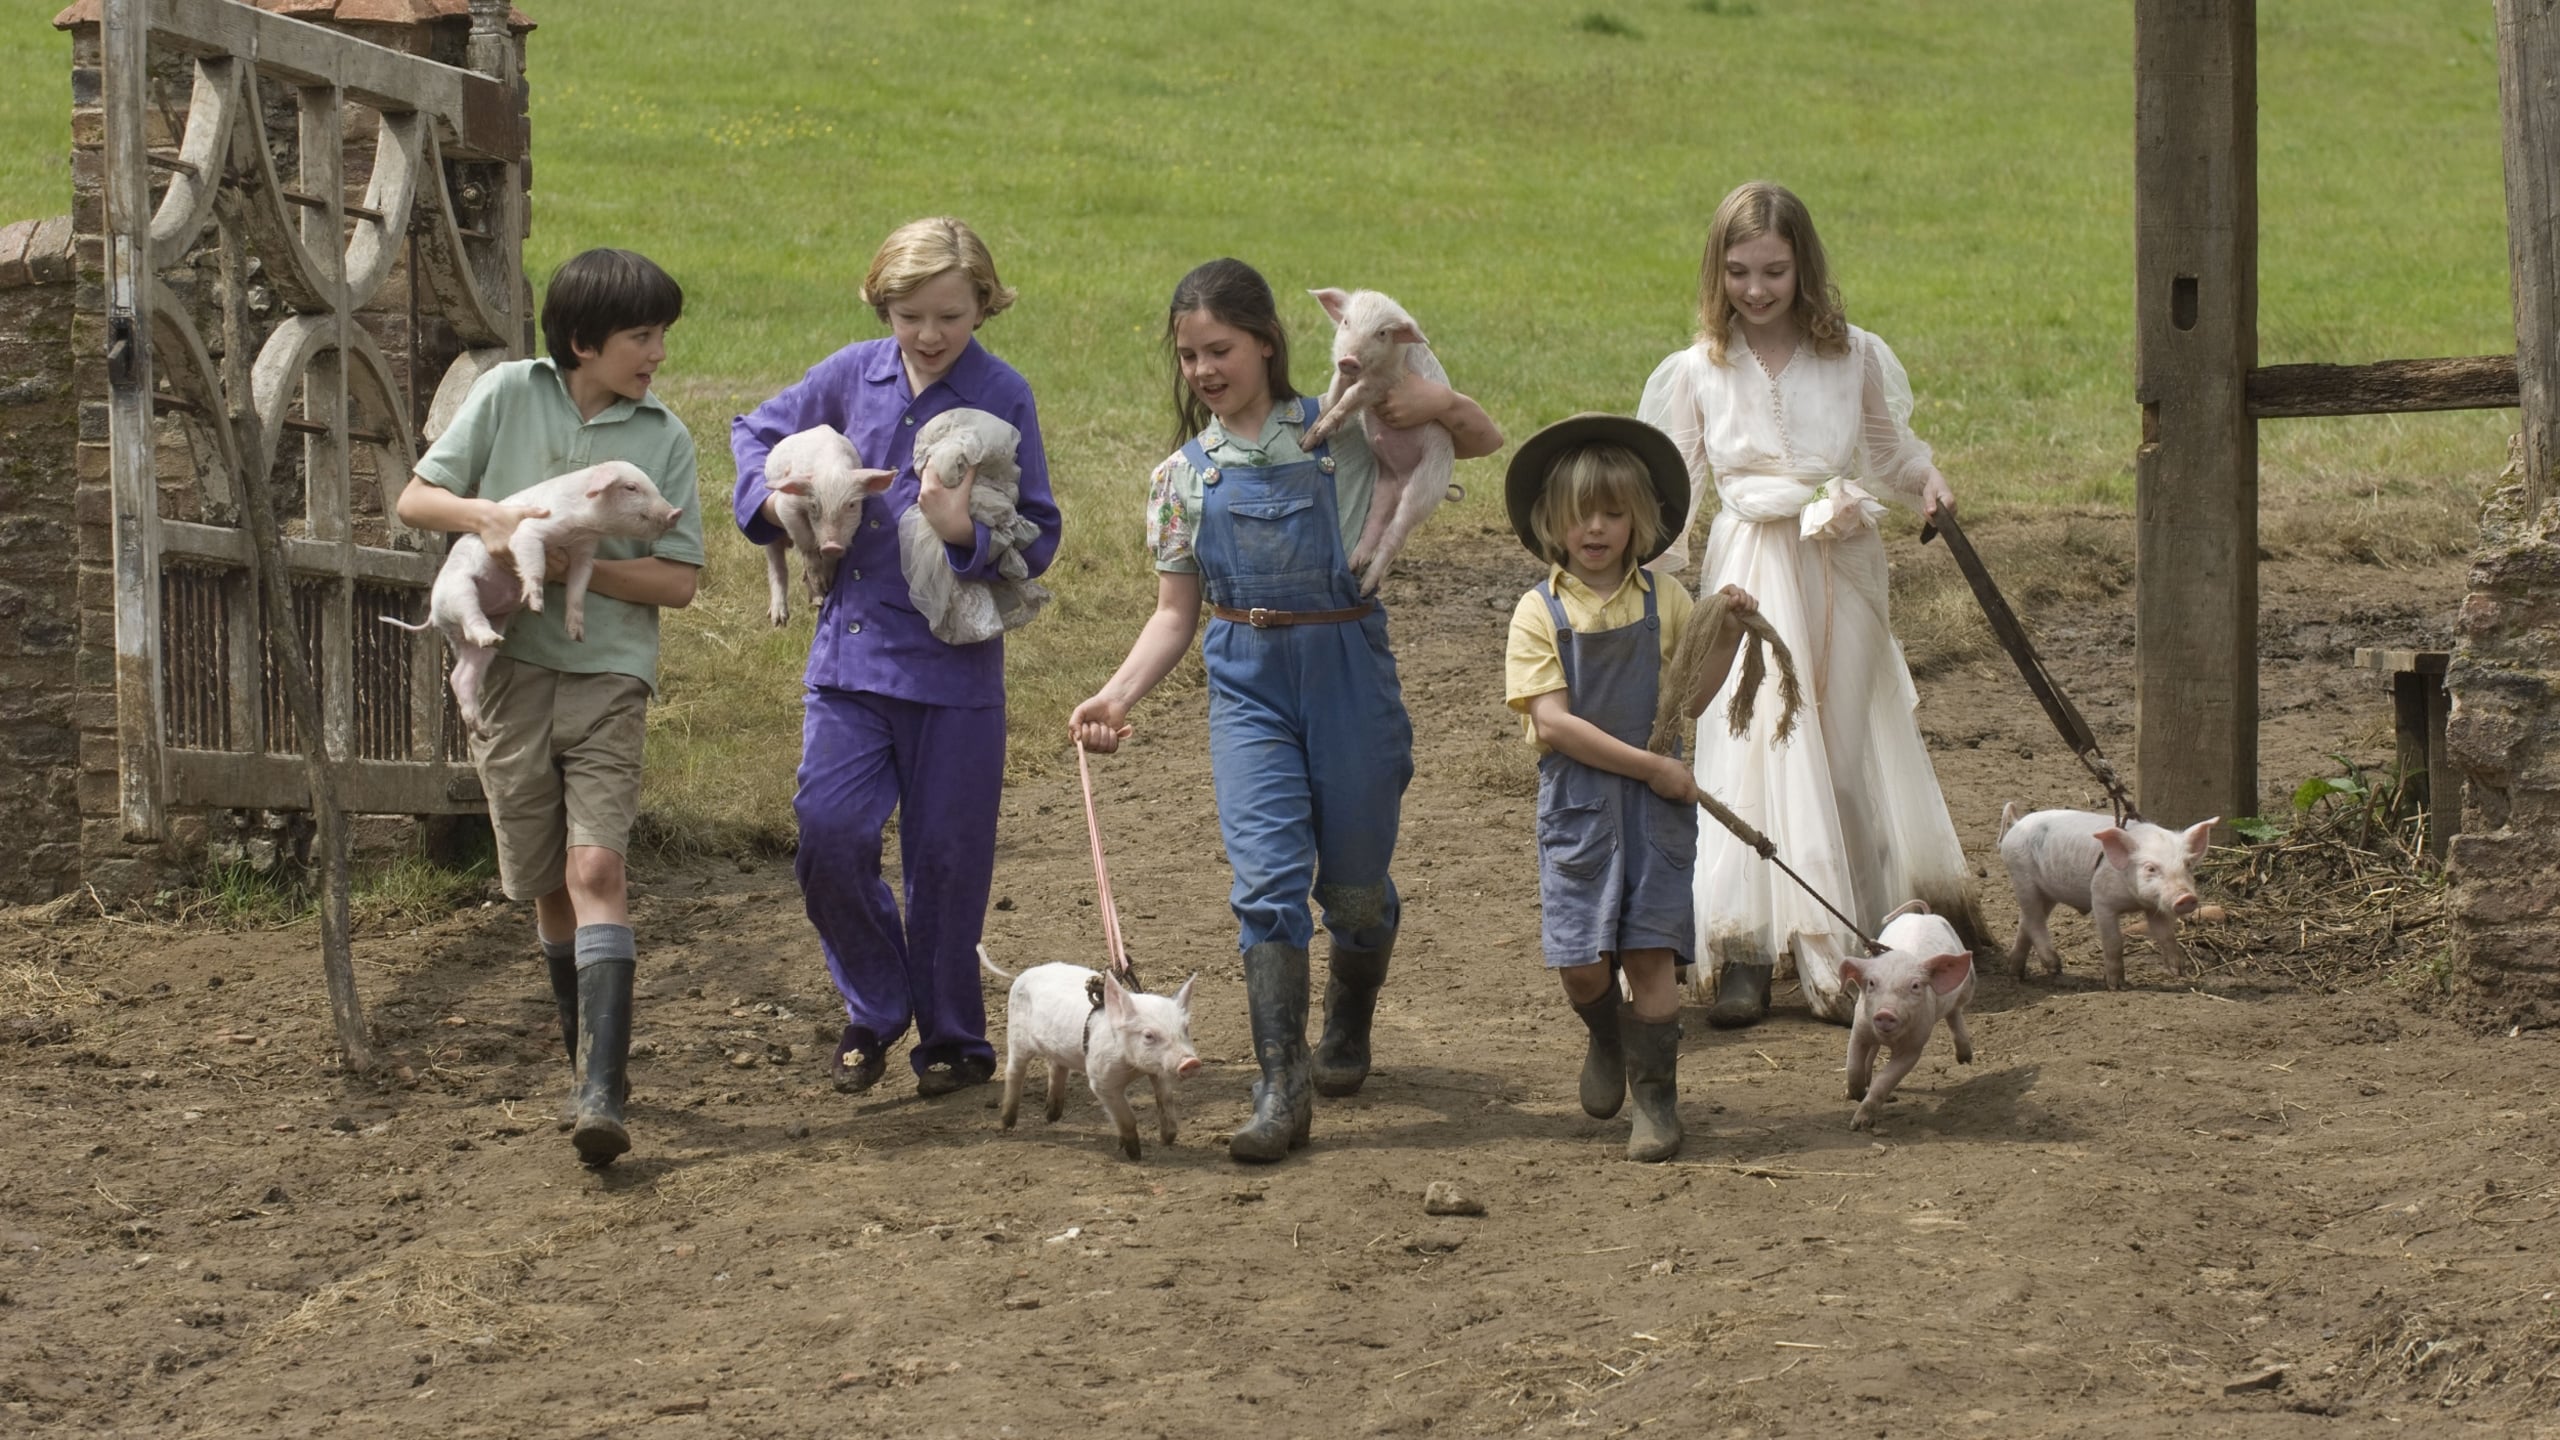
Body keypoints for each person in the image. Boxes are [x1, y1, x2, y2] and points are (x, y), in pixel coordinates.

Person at [1068, 259, 1502, 1163]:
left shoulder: (1342, 428)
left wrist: (1434, 403)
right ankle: (1281, 1085)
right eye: (1188, 356)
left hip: (1348, 667)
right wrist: (1114, 694)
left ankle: (1349, 1019)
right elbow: (1173, 614)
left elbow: (1480, 439)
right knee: (1265, 887)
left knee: (1353, 887)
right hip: (1246, 682)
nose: (1203, 370)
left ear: (1267, 342)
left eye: (1219, 349)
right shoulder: (1180, 478)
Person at [1638, 180, 1981, 1030]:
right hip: (1753, 563)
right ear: (1717, 272)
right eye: (1740, 272)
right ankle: (1748, 942)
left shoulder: (1852, 353)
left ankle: (1845, 939)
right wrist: (1654, 575)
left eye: (1775, 272)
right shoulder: (1699, 370)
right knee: (1753, 740)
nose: (1756, 291)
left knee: (1835, 742)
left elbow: (1886, 448)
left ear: (1804, 269)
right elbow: (1674, 485)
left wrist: (1925, 482)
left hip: (1841, 558)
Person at [731, 217, 1060, 1099]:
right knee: (830, 837)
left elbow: (1041, 533)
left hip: (956, 673)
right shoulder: (848, 374)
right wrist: (773, 505)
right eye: (909, 315)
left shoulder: (1006, 394)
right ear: (882, 304)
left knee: (948, 863)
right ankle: (875, 1008)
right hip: (850, 664)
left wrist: (966, 537)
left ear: (985, 305)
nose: (928, 334)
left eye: (950, 314)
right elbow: (753, 434)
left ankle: (953, 1035)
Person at [396, 247, 706, 1165]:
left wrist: (584, 566)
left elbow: (680, 583)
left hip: (610, 675)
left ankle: (602, 1092)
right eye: (640, 338)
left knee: (598, 868)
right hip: (510, 674)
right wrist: (490, 521)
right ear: (582, 341)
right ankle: (585, 1056)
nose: (656, 354)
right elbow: (418, 498)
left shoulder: (665, 439)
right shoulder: (507, 396)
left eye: (661, 336)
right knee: (544, 886)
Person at [1502, 415, 1759, 1162]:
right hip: (1583, 810)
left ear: (1639, 521)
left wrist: (1732, 636)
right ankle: (1606, 1037)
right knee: (1582, 962)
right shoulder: (1537, 613)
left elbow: (1686, 705)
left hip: (1655, 814)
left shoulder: (1667, 602)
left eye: (1613, 513)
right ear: (1551, 520)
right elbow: (1554, 725)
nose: (1596, 527)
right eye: (1581, 513)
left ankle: (1657, 1102)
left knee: (1650, 955)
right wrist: (1652, 766)